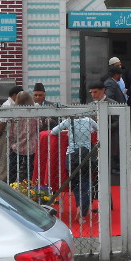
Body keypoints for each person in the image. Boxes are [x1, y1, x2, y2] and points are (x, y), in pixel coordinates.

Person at [51, 85, 99, 224]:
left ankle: (78, 206)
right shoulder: (88, 120)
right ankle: (83, 212)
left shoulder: (68, 121)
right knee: (86, 183)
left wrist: (67, 132)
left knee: (75, 184)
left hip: (72, 155)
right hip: (86, 155)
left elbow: (54, 131)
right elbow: (97, 129)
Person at [7, 90, 41, 182]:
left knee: (12, 170)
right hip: (32, 145)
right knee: (30, 170)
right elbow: (40, 125)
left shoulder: (14, 113)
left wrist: (10, 144)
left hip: (17, 145)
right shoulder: (34, 113)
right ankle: (30, 188)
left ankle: (11, 186)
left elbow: (10, 132)